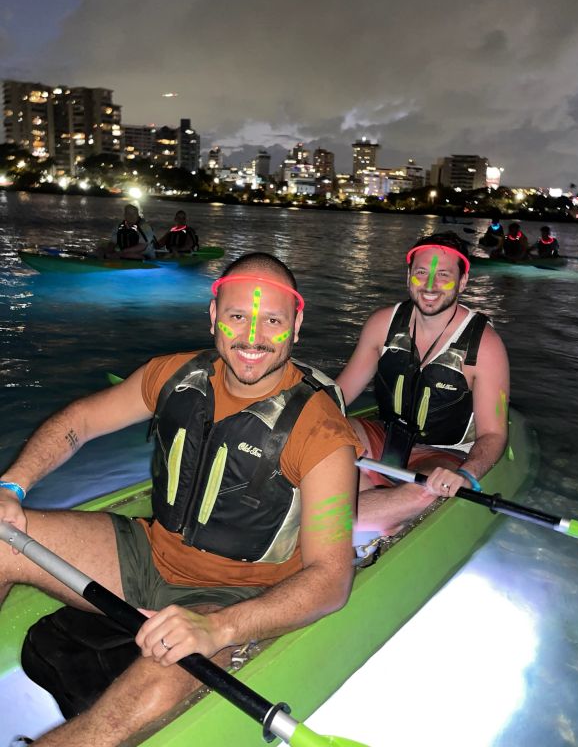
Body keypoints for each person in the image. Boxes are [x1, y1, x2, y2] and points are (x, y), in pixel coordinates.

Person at [0, 252, 361, 746]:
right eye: (238, 316)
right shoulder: (173, 375)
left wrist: (219, 630)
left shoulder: (322, 433)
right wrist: (12, 485)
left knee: (116, 719)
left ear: (296, 326)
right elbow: (78, 422)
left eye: (272, 321)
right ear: (213, 316)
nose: (252, 337)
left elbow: (331, 579)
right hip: (149, 556)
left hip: (234, 597)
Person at [336, 232, 509, 538]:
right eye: (421, 273)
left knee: (426, 489)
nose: (430, 285)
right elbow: (339, 395)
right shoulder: (381, 324)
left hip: (442, 455)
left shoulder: (486, 347)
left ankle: (368, 515)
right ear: (409, 276)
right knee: (327, 431)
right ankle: (376, 506)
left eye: (444, 275)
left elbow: (493, 434)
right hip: (386, 438)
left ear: (463, 282)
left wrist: (467, 476)